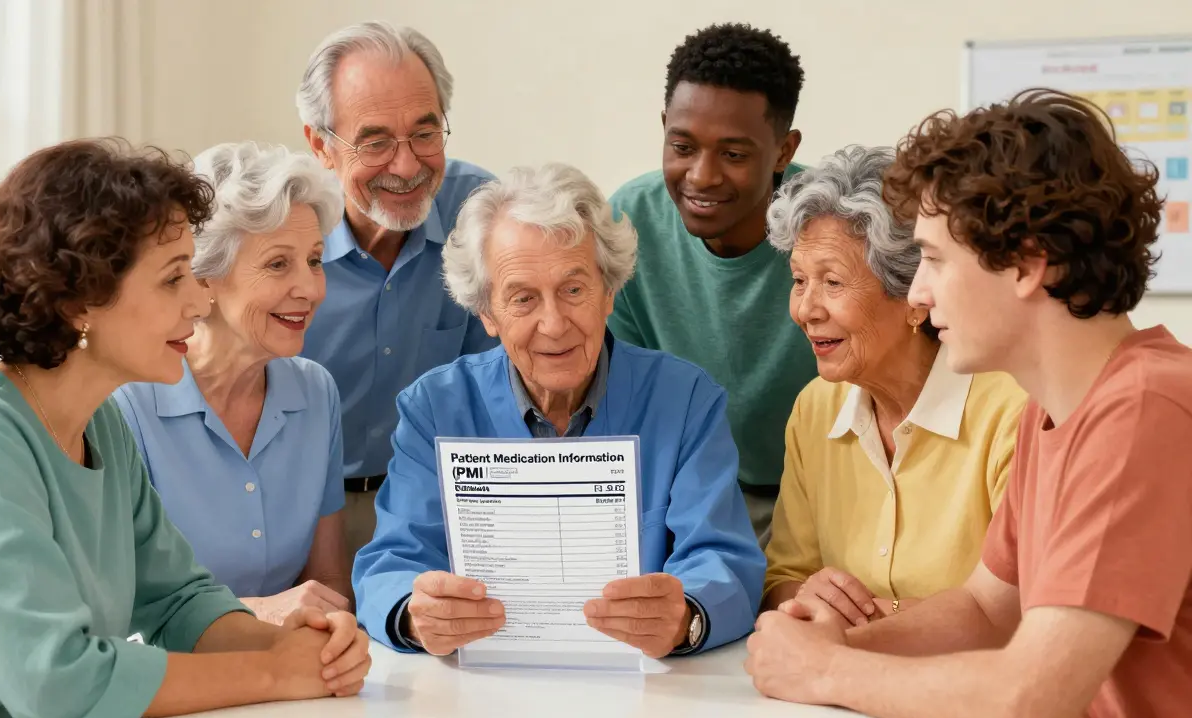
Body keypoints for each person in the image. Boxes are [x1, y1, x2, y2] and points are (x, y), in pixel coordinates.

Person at [745, 90, 1192, 718]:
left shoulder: (1143, 410)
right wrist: (829, 645)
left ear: (1027, 264)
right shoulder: (1053, 408)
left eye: (932, 259)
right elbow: (986, 609)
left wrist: (827, 668)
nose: (919, 290)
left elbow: (1029, 695)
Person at [0, 139, 370, 718]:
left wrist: (296, 645)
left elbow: (179, 600)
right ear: (82, 299)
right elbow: (58, 683)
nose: (198, 303)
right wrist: (275, 670)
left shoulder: (98, 422)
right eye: (173, 279)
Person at [353, 163, 765, 659]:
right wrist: (415, 616)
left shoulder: (685, 401)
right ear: (486, 313)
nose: (554, 324)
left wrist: (687, 617)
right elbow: (392, 562)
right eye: (523, 298)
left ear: (608, 291)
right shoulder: (434, 409)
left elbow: (724, 559)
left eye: (573, 290)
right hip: (482, 688)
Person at [760, 145, 1026, 623]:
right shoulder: (815, 409)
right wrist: (810, 595)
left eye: (833, 283)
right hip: (836, 682)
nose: (806, 309)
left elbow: (1022, 611)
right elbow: (783, 578)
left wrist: (873, 617)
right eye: (799, 280)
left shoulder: (1012, 411)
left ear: (915, 297)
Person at [114, 141, 353, 624]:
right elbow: (118, 614)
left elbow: (328, 581)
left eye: (314, 259)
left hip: (289, 676)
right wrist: (258, 616)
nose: (310, 288)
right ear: (204, 280)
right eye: (278, 263)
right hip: (176, 684)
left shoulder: (316, 392)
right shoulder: (127, 405)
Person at [296, 20, 499, 565]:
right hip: (304, 514)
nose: (407, 166)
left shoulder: (483, 216)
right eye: (376, 141)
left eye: (424, 134)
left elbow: (508, 390)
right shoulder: (280, 234)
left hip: (440, 510)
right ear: (321, 145)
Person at [608, 23, 817, 548]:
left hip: (822, 492)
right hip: (690, 494)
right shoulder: (628, 222)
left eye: (734, 154)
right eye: (682, 145)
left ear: (783, 151)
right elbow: (627, 393)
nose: (700, 176)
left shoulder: (830, 222)